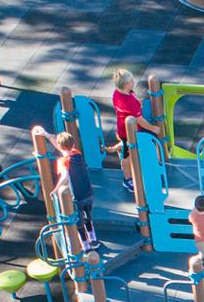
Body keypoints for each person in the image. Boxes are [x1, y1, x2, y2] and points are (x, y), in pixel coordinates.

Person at [36, 127, 98, 250]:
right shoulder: (77, 154)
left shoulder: (63, 161)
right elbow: (61, 146)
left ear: (60, 146)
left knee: (78, 221)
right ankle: (93, 239)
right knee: (88, 216)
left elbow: (64, 177)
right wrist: (47, 135)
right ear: (73, 144)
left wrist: (54, 191)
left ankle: (85, 244)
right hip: (88, 193)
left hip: (77, 196)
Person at [108, 69, 161, 200]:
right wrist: (154, 128)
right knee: (128, 156)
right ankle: (128, 179)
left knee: (132, 150)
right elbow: (140, 120)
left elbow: (132, 97)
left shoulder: (118, 92)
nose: (134, 82)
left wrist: (138, 102)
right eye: (131, 81)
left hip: (124, 128)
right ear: (125, 85)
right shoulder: (129, 103)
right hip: (128, 132)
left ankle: (119, 147)